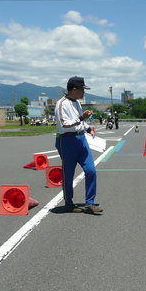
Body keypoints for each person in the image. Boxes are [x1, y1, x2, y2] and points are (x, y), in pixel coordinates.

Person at [54, 76, 103, 213]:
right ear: (74, 89)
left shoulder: (77, 103)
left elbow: (80, 122)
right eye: (83, 89)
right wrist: (82, 118)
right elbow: (64, 125)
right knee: (68, 174)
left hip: (81, 140)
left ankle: (90, 203)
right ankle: (68, 203)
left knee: (91, 170)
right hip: (67, 141)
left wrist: (88, 128)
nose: (84, 92)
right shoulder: (62, 104)